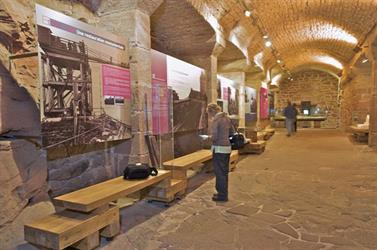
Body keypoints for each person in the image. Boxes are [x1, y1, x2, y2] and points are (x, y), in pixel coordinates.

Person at [207, 103, 235, 202]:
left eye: (209, 114)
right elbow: (232, 133)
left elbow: (214, 137)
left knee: (219, 173)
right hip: (227, 148)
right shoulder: (227, 118)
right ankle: (223, 193)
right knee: (224, 172)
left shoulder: (216, 120)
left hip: (219, 149)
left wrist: (208, 138)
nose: (209, 116)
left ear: (212, 111)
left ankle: (222, 195)